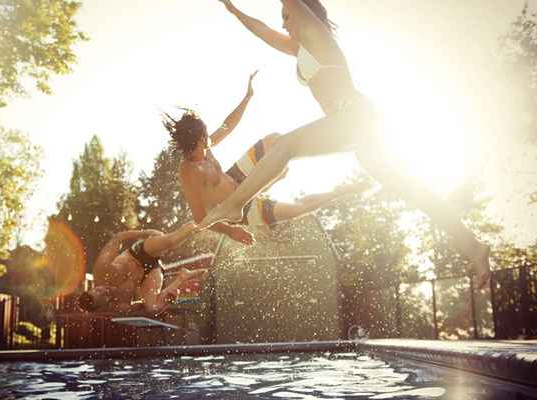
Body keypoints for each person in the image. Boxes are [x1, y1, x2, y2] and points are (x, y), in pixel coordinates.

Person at [199, 0, 490, 288]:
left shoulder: (314, 30)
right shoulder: (299, 47)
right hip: (359, 126)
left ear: (302, 10)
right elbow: (262, 30)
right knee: (412, 190)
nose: (284, 23)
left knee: (284, 146)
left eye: (287, 16)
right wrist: (235, 11)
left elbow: (289, 9)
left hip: (353, 116)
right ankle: (473, 246)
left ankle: (235, 205)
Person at [165, 71, 369, 245]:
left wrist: (247, 97)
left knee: (275, 140)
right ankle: (340, 192)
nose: (210, 139)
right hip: (240, 209)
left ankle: (267, 179)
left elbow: (227, 126)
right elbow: (200, 218)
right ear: (198, 140)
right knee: (297, 209)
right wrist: (231, 231)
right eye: (206, 137)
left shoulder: (205, 146)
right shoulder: (188, 171)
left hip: (239, 178)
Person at [77, 222, 206, 316]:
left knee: (173, 241)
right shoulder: (119, 306)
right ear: (103, 306)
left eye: (99, 290)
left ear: (93, 288)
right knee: (152, 309)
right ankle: (182, 277)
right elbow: (143, 306)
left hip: (140, 253)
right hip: (149, 273)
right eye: (104, 296)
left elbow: (118, 238)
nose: (105, 290)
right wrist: (166, 300)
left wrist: (145, 232)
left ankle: (201, 221)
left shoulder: (101, 270)